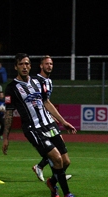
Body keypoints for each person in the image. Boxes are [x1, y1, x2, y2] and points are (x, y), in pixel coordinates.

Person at [2, 53, 77, 197]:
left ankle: (52, 182)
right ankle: (67, 194)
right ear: (16, 67)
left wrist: (63, 122)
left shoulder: (37, 81)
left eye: (27, 64)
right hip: (33, 129)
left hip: (49, 124)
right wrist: (5, 137)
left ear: (30, 66)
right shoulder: (11, 88)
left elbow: (46, 102)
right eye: (21, 64)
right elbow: (9, 114)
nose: (25, 67)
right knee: (56, 159)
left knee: (66, 161)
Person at [30, 55, 75, 183]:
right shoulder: (36, 81)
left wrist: (53, 116)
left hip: (48, 119)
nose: (49, 66)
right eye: (47, 64)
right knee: (55, 149)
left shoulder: (49, 81)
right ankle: (45, 169)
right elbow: (38, 102)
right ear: (41, 65)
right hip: (40, 123)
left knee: (63, 155)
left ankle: (50, 171)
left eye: (51, 64)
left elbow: (46, 102)